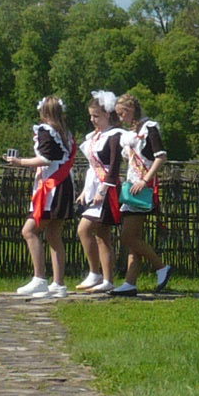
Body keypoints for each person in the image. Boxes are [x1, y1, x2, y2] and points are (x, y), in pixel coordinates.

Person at [4, 95, 74, 298]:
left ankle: (40, 279)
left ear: (44, 112)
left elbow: (45, 159)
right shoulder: (66, 133)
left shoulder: (45, 130)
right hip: (64, 184)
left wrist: (19, 162)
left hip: (52, 187)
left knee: (29, 230)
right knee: (53, 234)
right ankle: (58, 284)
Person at [113, 93, 173, 295]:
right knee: (134, 238)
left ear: (129, 111)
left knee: (128, 237)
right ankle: (130, 283)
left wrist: (145, 180)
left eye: (122, 114)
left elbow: (161, 156)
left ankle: (160, 266)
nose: (121, 118)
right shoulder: (133, 132)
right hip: (132, 188)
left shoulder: (150, 129)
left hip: (142, 189)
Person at [73, 91, 124, 292]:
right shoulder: (94, 137)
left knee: (91, 231)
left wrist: (102, 190)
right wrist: (86, 190)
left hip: (107, 189)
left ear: (108, 115)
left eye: (97, 116)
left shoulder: (114, 136)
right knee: (98, 233)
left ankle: (102, 277)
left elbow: (113, 167)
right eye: (91, 116)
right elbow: (92, 167)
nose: (92, 120)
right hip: (94, 188)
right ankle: (101, 277)